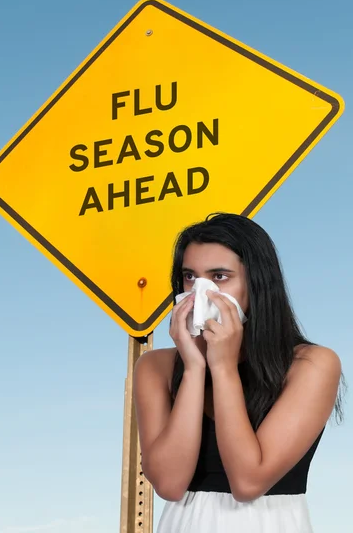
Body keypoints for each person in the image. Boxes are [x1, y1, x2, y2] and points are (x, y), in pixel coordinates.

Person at [133, 212, 344, 533]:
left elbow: (248, 482)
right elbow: (169, 484)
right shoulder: (155, 366)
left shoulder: (312, 365)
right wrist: (193, 367)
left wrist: (223, 367)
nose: (200, 291)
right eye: (190, 277)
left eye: (219, 276)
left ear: (256, 285)